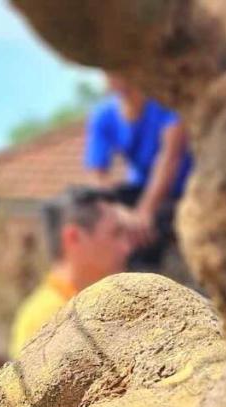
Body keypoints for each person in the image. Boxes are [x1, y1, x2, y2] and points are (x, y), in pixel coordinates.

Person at [9, 187, 136, 358]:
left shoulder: (112, 305)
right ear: (73, 237)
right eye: (115, 234)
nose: (126, 248)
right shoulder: (43, 319)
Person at [84, 71, 192, 271]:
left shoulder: (167, 108)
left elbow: (169, 158)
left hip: (177, 192)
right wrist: (118, 212)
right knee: (83, 204)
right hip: (138, 189)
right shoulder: (103, 115)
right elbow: (97, 174)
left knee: (150, 229)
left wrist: (144, 213)